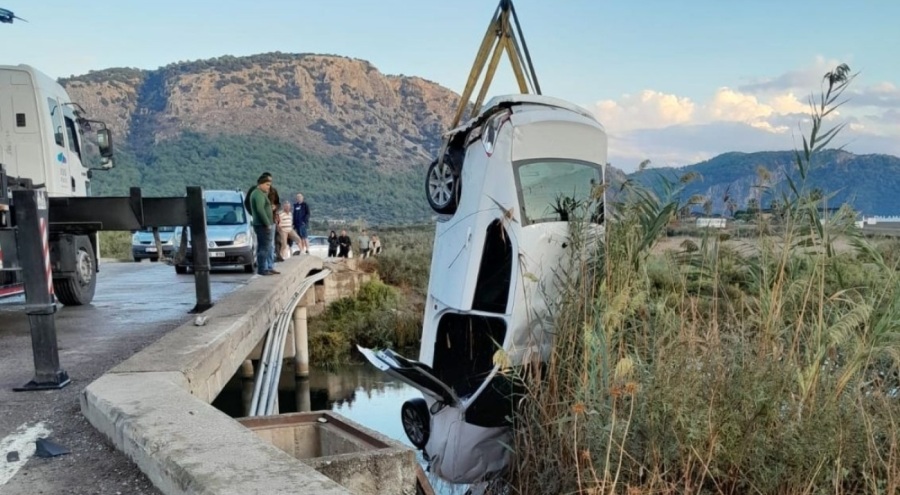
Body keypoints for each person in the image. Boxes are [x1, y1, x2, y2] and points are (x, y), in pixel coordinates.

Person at [249, 175, 279, 275]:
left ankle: (265, 268)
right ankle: (262, 269)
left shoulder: (260, 194)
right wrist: (267, 223)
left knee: (264, 247)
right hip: (262, 225)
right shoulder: (258, 195)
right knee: (264, 247)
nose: (268, 187)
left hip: (261, 224)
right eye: (267, 185)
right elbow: (260, 209)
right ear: (260, 184)